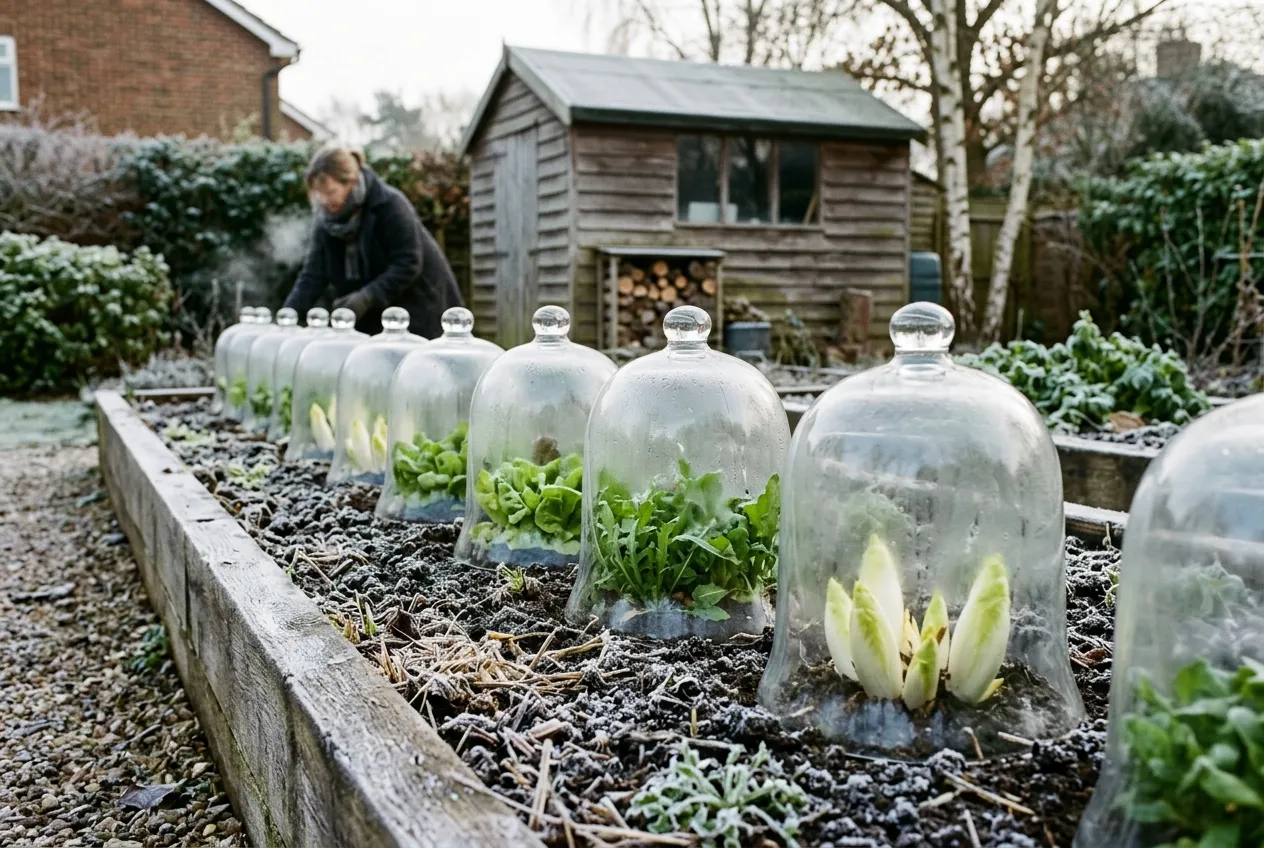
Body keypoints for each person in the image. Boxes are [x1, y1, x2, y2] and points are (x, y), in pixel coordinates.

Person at [283, 146, 463, 338]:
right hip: (378, 318)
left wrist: (367, 297)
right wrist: (287, 318)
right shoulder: (326, 221)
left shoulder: (389, 204)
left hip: (421, 307)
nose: (325, 201)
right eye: (319, 194)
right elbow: (313, 274)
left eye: (331, 192)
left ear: (350, 183)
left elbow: (408, 262)